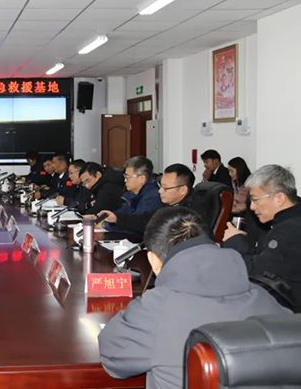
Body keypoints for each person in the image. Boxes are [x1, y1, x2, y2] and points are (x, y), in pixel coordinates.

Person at [99, 207, 285, 389]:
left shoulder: (155, 309)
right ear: (216, 247)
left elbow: (111, 355)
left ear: (154, 261)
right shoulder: (267, 300)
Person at [223, 164, 301, 310]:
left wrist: (234, 240)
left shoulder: (289, 231)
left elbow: (257, 275)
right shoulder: (289, 221)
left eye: (255, 199)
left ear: (279, 198)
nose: (252, 207)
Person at [98, 164, 202, 241]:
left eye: (165, 188)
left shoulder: (192, 213)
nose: (160, 191)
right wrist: (116, 218)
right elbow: (144, 220)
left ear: (182, 190)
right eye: (160, 186)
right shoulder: (169, 205)